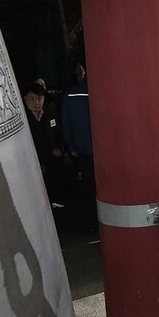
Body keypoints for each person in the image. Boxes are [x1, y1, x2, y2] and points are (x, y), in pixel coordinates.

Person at [62, 75, 96, 232]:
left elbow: (66, 122)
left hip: (83, 147)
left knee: (88, 186)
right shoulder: (105, 89)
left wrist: (71, 145)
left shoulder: (70, 93)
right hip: (105, 149)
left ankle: (90, 223)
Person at [23, 81, 63, 205]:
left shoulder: (50, 112)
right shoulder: (22, 118)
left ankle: (54, 201)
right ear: (25, 99)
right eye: (32, 98)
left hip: (52, 158)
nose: (36, 102)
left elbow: (58, 132)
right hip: (33, 161)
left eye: (39, 98)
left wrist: (59, 147)